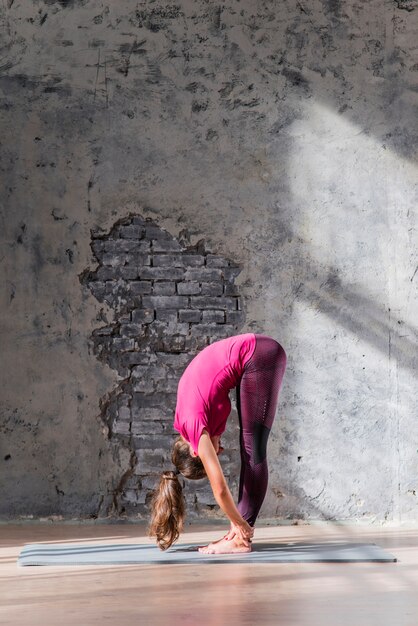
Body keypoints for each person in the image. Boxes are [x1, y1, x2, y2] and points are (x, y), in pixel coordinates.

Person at [147, 332, 287, 554]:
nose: (219, 450)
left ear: (195, 453)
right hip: (257, 353)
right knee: (250, 447)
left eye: (213, 454)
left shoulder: (193, 425)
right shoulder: (185, 418)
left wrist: (241, 523)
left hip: (259, 354)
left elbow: (220, 489)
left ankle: (240, 538)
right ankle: (236, 534)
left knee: (253, 450)